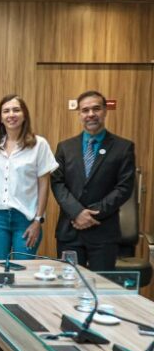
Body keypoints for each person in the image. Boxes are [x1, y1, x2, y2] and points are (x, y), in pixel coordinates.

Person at [51, 90, 136, 271]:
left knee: (102, 284)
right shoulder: (65, 147)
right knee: (70, 283)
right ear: (79, 114)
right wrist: (77, 212)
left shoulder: (123, 147)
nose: (90, 114)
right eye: (85, 110)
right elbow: (57, 183)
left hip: (103, 232)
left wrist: (91, 214)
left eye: (96, 109)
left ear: (105, 111)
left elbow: (124, 187)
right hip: (70, 231)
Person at [0, 95, 58, 261]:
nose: (11, 114)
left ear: (24, 115)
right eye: (6, 111)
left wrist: (38, 220)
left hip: (26, 219)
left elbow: (44, 185)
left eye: (16, 110)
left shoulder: (39, 144)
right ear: (0, 118)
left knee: (23, 269)